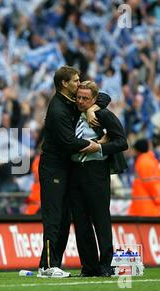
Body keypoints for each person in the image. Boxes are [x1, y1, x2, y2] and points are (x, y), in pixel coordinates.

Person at [38, 66, 111, 278]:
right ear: (64, 83)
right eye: (76, 81)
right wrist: (95, 143)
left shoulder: (71, 102)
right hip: (53, 168)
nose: (79, 84)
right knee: (54, 217)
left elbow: (103, 96)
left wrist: (91, 109)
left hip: (65, 169)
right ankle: (47, 265)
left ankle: (52, 264)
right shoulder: (58, 110)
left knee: (63, 218)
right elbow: (69, 142)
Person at [70, 81, 128, 277]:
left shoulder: (102, 115)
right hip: (75, 171)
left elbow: (122, 142)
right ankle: (89, 267)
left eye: (85, 99)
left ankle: (106, 265)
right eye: (78, 97)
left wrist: (100, 148)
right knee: (80, 221)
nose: (80, 101)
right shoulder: (72, 113)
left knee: (101, 219)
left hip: (96, 170)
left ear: (94, 100)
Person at [128, 139, 160, 217]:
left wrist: (157, 199)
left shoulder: (144, 162)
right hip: (149, 207)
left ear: (137, 150)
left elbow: (150, 184)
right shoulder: (149, 160)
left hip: (146, 208)